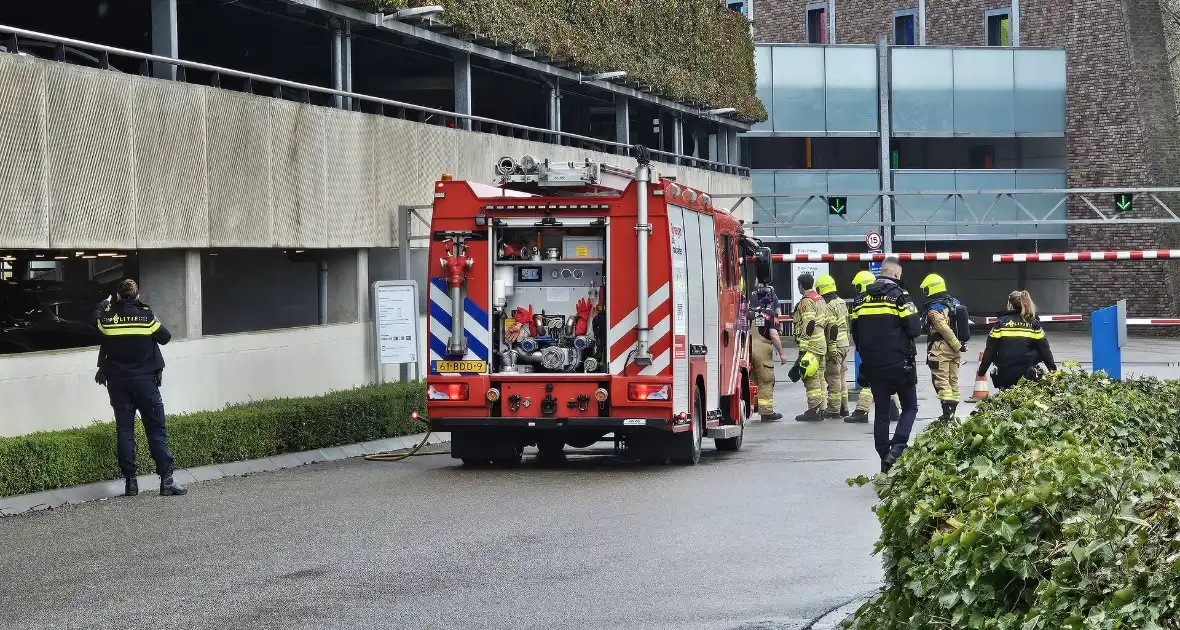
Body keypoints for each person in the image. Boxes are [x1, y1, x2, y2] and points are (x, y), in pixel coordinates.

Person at [94, 279, 187, 497]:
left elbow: (93, 325)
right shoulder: (146, 317)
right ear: (137, 295)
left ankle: (131, 484)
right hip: (145, 383)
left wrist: (101, 306)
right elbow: (165, 338)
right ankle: (167, 481)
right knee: (156, 429)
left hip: (117, 383)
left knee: (125, 431)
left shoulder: (108, 319)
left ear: (117, 296)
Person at [850, 257, 921, 472]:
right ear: (897, 275)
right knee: (910, 406)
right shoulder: (901, 297)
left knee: (881, 411)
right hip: (900, 363)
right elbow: (915, 329)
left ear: (882, 272)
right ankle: (898, 447)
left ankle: (884, 457)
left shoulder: (860, 300)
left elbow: (855, 333)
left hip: (873, 365)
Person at [845, 270, 900, 425]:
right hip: (889, 348)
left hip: (870, 348)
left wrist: (859, 346)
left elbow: (856, 328)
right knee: (887, 378)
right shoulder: (887, 299)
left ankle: (862, 411)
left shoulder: (861, 302)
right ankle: (893, 410)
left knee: (870, 380)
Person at [977, 290, 1058, 390]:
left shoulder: (1000, 323)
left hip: (1005, 374)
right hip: (1028, 373)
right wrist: (1053, 370)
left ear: (1010, 304)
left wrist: (982, 371)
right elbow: (1044, 349)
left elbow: (990, 350)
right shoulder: (1033, 324)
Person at [919, 274, 968, 422]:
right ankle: (952, 414)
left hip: (941, 348)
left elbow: (943, 328)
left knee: (941, 381)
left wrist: (956, 344)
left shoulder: (934, 308)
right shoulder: (953, 302)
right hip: (955, 350)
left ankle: (947, 415)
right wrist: (958, 347)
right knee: (953, 380)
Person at [792, 273, 830, 422]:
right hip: (821, 342)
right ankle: (822, 408)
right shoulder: (820, 299)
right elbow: (825, 321)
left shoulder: (807, 301)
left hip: (812, 344)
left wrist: (804, 346)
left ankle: (813, 410)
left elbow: (809, 323)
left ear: (801, 286)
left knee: (810, 377)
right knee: (820, 376)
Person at [750, 285, 789, 421]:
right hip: (763, 350)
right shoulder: (770, 314)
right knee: (766, 380)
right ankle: (766, 412)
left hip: (748, 349)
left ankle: (753, 406)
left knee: (753, 379)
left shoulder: (749, 313)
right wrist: (782, 353)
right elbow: (774, 334)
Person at [816, 274, 849, 419]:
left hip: (834, 344)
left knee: (833, 377)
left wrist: (832, 346)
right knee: (841, 377)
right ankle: (844, 407)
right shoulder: (841, 302)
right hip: (845, 343)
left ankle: (834, 409)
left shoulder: (827, 305)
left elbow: (832, 327)